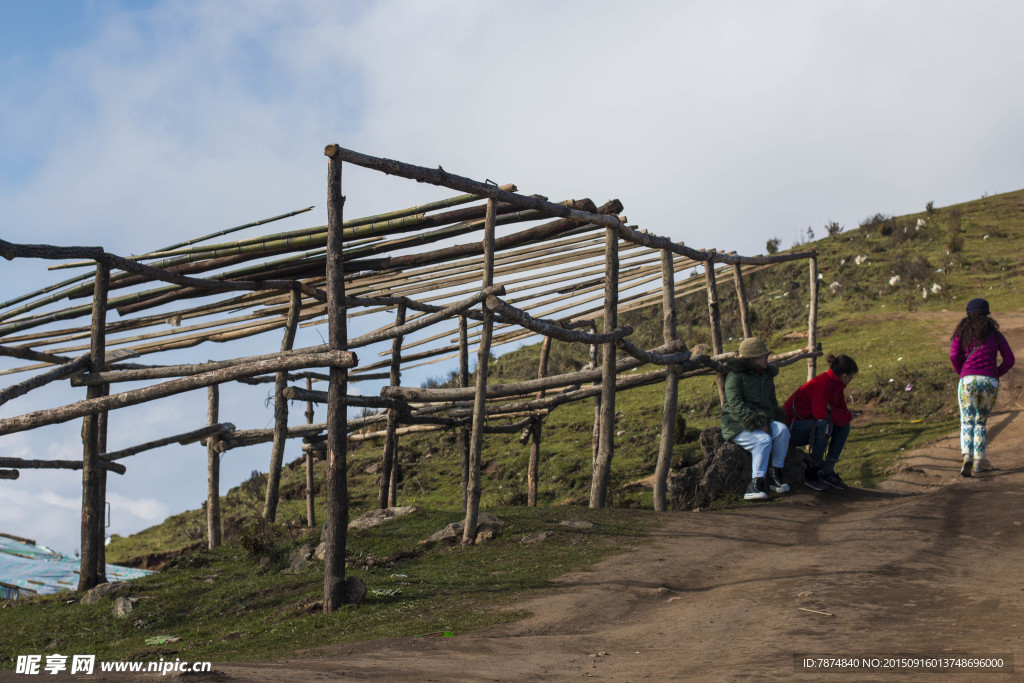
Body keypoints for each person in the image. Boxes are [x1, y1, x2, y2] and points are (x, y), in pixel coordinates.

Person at [950, 298, 1015, 476]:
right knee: (980, 422)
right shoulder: (995, 335)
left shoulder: (962, 332)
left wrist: (961, 371)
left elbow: (954, 354)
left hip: (968, 380)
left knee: (967, 421)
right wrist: (995, 373)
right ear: (987, 314)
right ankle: (979, 461)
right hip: (990, 382)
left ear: (968, 314)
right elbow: (1010, 359)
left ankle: (967, 457)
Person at [721, 337, 791, 501]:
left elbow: (772, 403)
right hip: (736, 423)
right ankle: (755, 484)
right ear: (752, 358)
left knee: (782, 431)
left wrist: (769, 421)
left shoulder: (766, 375)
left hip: (762, 420)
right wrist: (757, 422)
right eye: (763, 355)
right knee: (763, 440)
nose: (767, 357)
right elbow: (734, 403)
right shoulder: (735, 376)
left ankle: (775, 475)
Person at [784, 354, 858, 491]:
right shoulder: (822, 384)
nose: (851, 380)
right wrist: (839, 413)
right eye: (852, 377)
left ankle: (828, 471)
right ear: (845, 376)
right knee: (825, 425)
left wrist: (838, 413)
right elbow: (821, 415)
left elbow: (841, 412)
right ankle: (812, 469)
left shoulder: (836, 385)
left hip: (807, 426)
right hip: (790, 430)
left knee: (843, 427)